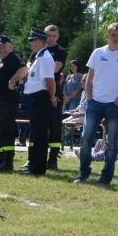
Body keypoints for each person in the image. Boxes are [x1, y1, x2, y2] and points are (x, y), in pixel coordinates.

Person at [74, 23, 118, 186]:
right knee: (86, 138)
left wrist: (116, 102)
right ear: (107, 36)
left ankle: (106, 176)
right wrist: (88, 98)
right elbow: (89, 78)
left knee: (111, 142)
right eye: (113, 35)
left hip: (113, 105)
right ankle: (83, 172)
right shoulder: (97, 53)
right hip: (94, 102)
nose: (116, 38)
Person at [0, 36, 27, 172]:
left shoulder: (13, 58)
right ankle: (0, 159)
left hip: (6, 101)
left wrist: (11, 81)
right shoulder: (2, 61)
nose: (1, 48)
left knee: (5, 130)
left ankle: (8, 161)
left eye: (4, 46)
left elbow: (24, 70)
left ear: (11, 46)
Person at [22, 28, 56, 176]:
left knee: (40, 134)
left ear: (38, 41)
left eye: (31, 41)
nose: (30, 43)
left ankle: (38, 168)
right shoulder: (39, 56)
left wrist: (51, 97)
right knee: (35, 134)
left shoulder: (44, 57)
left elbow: (50, 80)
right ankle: (34, 165)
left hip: (41, 97)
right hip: (35, 98)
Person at [44, 25, 67, 170]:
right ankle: (35, 156)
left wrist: (38, 69)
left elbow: (55, 68)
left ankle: (52, 159)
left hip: (54, 89)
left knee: (54, 125)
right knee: (39, 125)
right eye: (48, 35)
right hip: (39, 89)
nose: (51, 38)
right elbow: (29, 67)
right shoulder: (39, 49)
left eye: (54, 36)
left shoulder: (60, 51)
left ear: (57, 36)